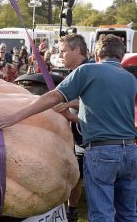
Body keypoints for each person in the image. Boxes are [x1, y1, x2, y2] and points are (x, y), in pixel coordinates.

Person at [0, 34, 137, 222]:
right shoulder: (130, 79)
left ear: (97, 53)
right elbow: (108, 116)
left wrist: (14, 117)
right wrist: (71, 116)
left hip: (102, 152)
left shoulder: (87, 71)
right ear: (121, 55)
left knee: (102, 214)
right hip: (130, 152)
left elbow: (54, 97)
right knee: (128, 213)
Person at [52, 34, 88, 222]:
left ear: (77, 50)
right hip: (78, 134)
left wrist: (67, 104)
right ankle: (72, 211)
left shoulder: (88, 71)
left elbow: (92, 104)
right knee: (76, 176)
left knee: (86, 179)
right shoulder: (75, 72)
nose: (60, 55)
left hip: (90, 138)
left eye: (64, 51)